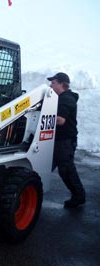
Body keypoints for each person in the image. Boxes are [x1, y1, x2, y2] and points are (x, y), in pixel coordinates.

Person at [47, 72, 86, 208]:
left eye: (53, 83)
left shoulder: (66, 99)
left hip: (65, 142)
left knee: (67, 170)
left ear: (62, 84)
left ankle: (79, 196)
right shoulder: (60, 97)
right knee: (45, 166)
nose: (51, 85)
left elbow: (60, 120)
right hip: (57, 140)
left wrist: (42, 116)